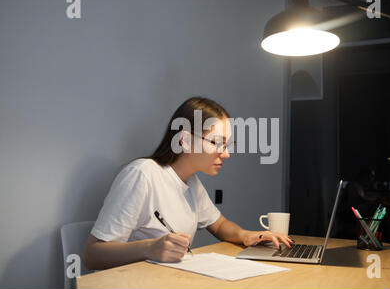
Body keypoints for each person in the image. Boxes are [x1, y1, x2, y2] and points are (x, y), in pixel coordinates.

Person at [83, 97, 293, 270]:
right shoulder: (142, 174)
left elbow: (219, 225)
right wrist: (150, 247)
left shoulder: (191, 181)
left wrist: (248, 236)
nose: (226, 154)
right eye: (217, 143)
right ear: (185, 140)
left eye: (228, 145)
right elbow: (92, 255)